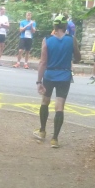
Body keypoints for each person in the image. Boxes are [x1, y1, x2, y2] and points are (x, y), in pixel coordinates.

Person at [33, 15, 81, 148]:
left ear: (54, 26)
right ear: (65, 26)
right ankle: (54, 139)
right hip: (64, 76)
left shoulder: (47, 40)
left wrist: (39, 81)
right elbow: (78, 57)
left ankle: (42, 131)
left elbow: (43, 62)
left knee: (45, 101)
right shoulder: (71, 39)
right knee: (59, 107)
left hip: (49, 75)